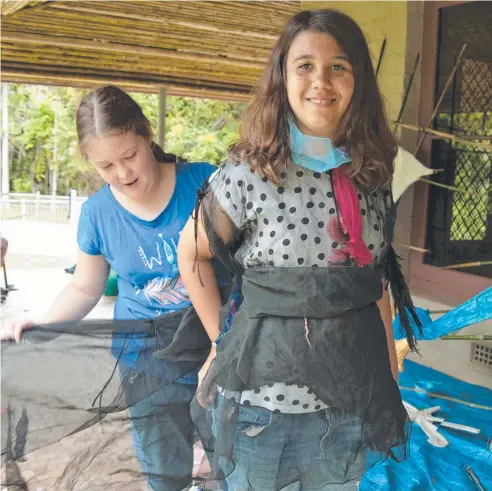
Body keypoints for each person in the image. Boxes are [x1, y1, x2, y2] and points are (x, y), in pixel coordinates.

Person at [178, 9, 421, 491]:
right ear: (282, 78)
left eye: (339, 66)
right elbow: (192, 254)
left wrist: (388, 376)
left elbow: (371, 280)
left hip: (351, 403)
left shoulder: (373, 173)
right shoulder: (252, 171)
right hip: (263, 412)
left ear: (358, 81)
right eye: (305, 65)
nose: (321, 81)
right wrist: (216, 340)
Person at [1, 85, 218, 491]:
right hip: (145, 361)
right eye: (106, 166)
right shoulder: (98, 213)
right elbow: (85, 288)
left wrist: (225, 344)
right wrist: (45, 322)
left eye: (130, 156)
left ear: (146, 135)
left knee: (233, 465)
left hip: (217, 350)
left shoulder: (207, 184)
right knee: (162, 470)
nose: (122, 174)